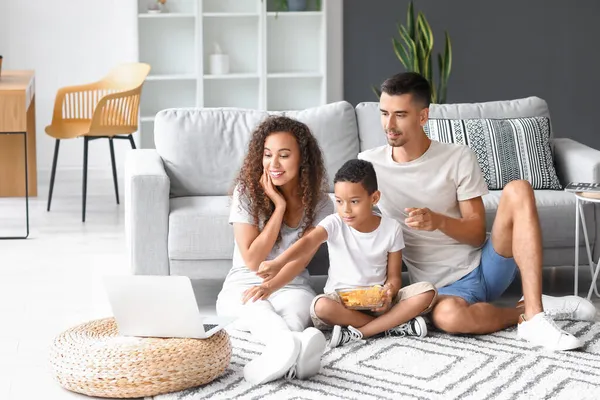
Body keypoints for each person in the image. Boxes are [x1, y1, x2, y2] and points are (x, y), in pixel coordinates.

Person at [358, 71, 597, 351]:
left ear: (423, 117)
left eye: (400, 114)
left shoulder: (457, 156)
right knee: (448, 318)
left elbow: (474, 233)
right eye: (384, 113)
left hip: (486, 266)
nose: (389, 124)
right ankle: (528, 312)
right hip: (442, 288)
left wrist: (437, 221)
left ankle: (535, 313)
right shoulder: (369, 165)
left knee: (519, 188)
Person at [250, 159, 437, 349]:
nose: (346, 210)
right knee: (320, 306)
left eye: (354, 201)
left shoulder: (391, 228)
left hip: (377, 304)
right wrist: (278, 263)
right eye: (339, 202)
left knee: (427, 292)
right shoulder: (334, 222)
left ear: (374, 198)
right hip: (340, 304)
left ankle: (363, 331)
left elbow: (395, 277)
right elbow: (308, 241)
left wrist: (389, 292)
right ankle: (392, 326)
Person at [215, 116, 334, 385]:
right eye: (268, 155)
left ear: (302, 159)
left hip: (292, 284)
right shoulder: (246, 192)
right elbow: (253, 259)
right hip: (244, 284)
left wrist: (273, 286)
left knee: (297, 313)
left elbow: (302, 257)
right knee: (258, 309)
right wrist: (278, 209)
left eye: (284, 155)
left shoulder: (321, 203)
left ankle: (285, 355)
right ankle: (298, 353)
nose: (274, 164)